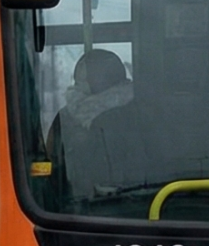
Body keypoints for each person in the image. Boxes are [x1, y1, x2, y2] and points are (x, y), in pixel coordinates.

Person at [49, 48, 150, 202]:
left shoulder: (137, 113)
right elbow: (51, 166)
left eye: (85, 76)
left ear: (107, 76)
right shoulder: (65, 118)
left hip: (135, 202)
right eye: (78, 78)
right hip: (75, 208)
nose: (79, 83)